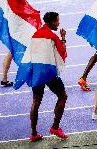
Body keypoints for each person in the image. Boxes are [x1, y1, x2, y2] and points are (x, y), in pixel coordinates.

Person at [29, 12, 68, 141]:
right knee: (63, 96)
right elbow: (62, 53)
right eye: (57, 21)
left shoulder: (35, 34)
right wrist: (63, 38)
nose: (59, 23)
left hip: (37, 71)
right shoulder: (52, 36)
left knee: (36, 101)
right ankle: (55, 127)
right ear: (51, 22)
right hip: (49, 72)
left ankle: (34, 134)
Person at [0, 0, 31, 87]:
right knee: (30, 46)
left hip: (13, 24)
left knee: (12, 51)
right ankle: (30, 75)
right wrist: (34, 15)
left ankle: (4, 78)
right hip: (18, 26)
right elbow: (22, 11)